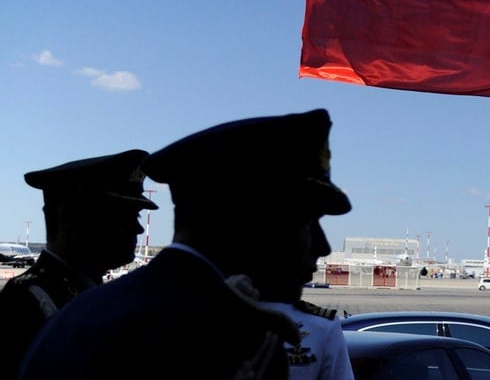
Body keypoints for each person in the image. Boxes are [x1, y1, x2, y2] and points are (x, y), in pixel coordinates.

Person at [18, 109, 353, 380]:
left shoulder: (85, 312)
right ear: (246, 218)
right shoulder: (230, 338)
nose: (322, 246)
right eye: (307, 220)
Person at [0, 149, 158, 380]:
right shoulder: (27, 301)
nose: (138, 228)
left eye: (137, 216)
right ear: (70, 220)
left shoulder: (92, 293)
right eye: (123, 216)